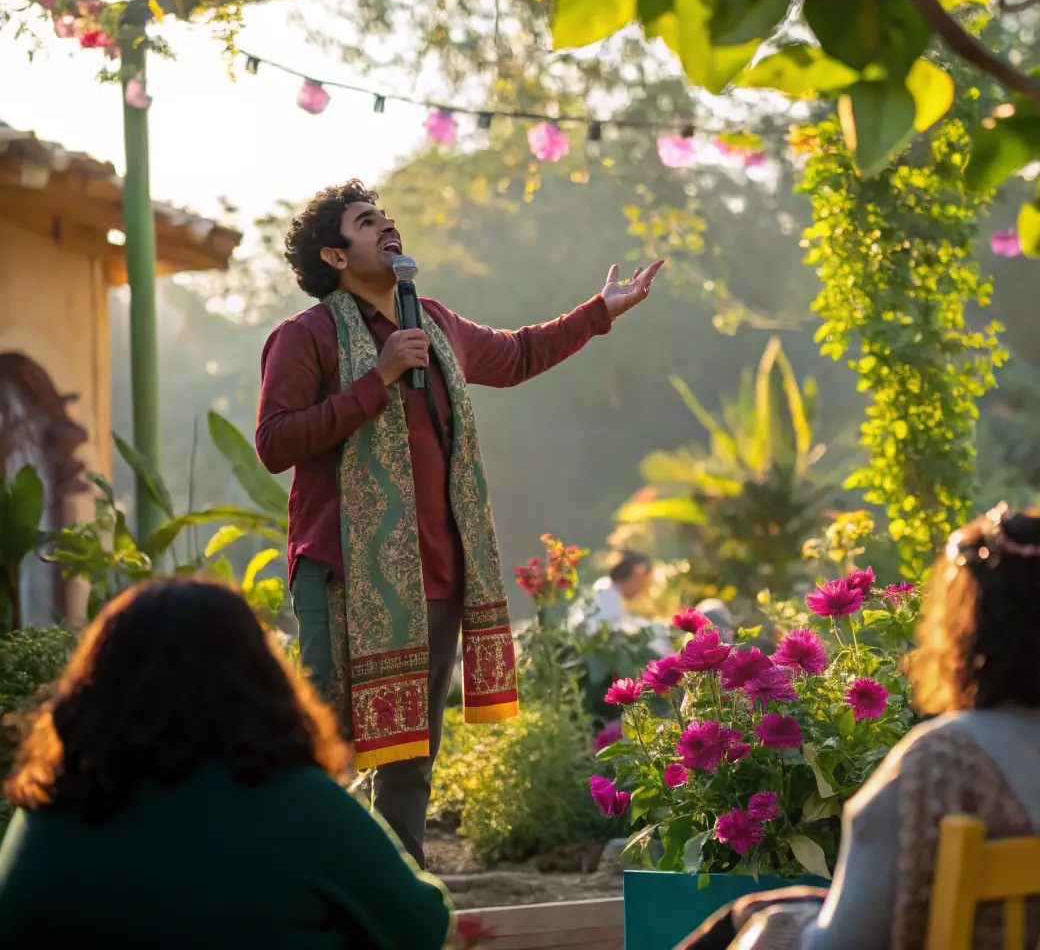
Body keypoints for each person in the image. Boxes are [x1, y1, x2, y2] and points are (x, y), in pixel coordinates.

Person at [255, 180, 662, 865]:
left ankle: (400, 896)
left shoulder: (433, 322)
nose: (386, 225)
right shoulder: (307, 336)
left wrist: (601, 311)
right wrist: (375, 379)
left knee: (411, 753)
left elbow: (519, 353)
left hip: (439, 569)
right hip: (343, 573)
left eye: (386, 216)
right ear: (333, 254)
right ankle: (299, 891)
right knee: (324, 745)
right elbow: (275, 443)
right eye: (365, 221)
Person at [680, 507, 1040, 950]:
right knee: (780, 905)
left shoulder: (946, 760)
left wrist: (771, 929)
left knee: (751, 922)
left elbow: (845, 942)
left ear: (971, 619)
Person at [0, 578, 452, 949]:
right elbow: (422, 926)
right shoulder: (300, 805)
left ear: (94, 687)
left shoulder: (46, 815)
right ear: (258, 680)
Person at [568, 550, 656, 631]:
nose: (644, 589)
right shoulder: (606, 596)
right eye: (645, 582)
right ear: (636, 574)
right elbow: (608, 630)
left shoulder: (606, 589)